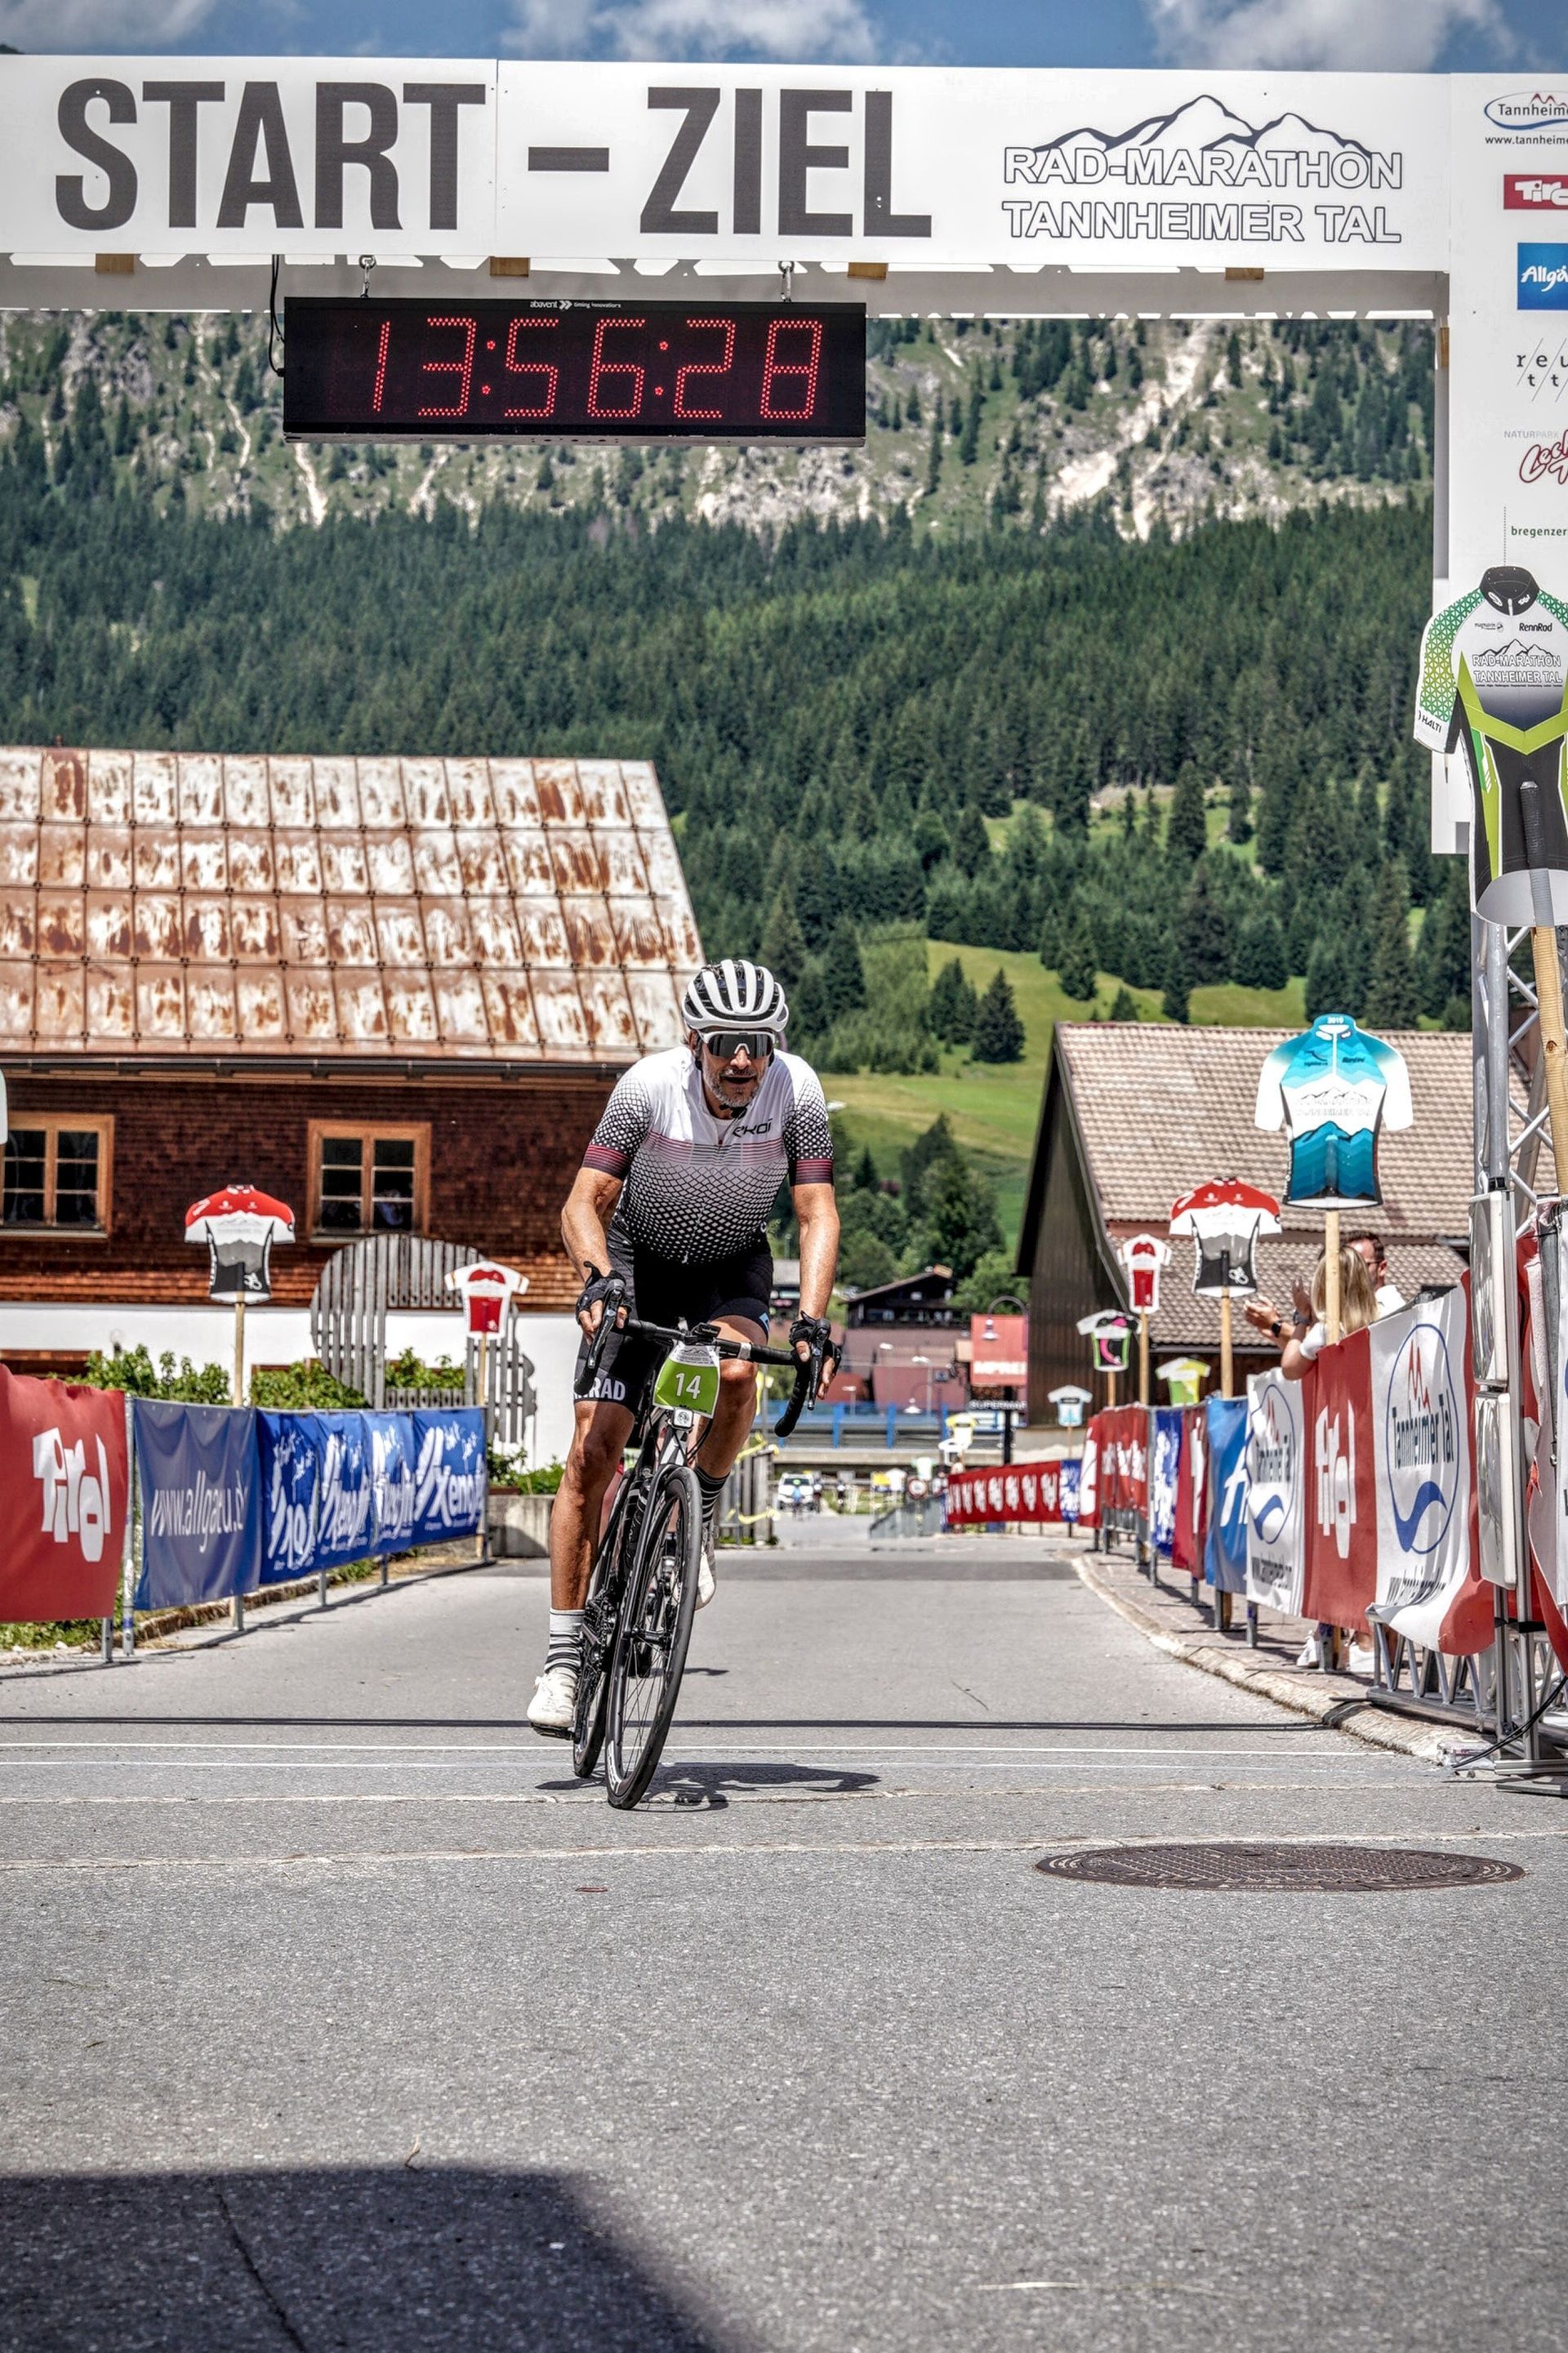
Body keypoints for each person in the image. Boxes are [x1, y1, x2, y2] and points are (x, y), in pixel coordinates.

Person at [528, 958, 841, 1736]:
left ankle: (695, 1501)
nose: (743, 1059)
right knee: (592, 1450)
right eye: (727, 1043)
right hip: (638, 1261)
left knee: (737, 1372)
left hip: (730, 1266)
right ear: (696, 1040)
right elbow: (583, 1202)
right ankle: (565, 1661)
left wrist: (810, 1319)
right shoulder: (646, 1088)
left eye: (759, 1044)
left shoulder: (797, 1091)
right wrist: (599, 1280)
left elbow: (816, 1213)